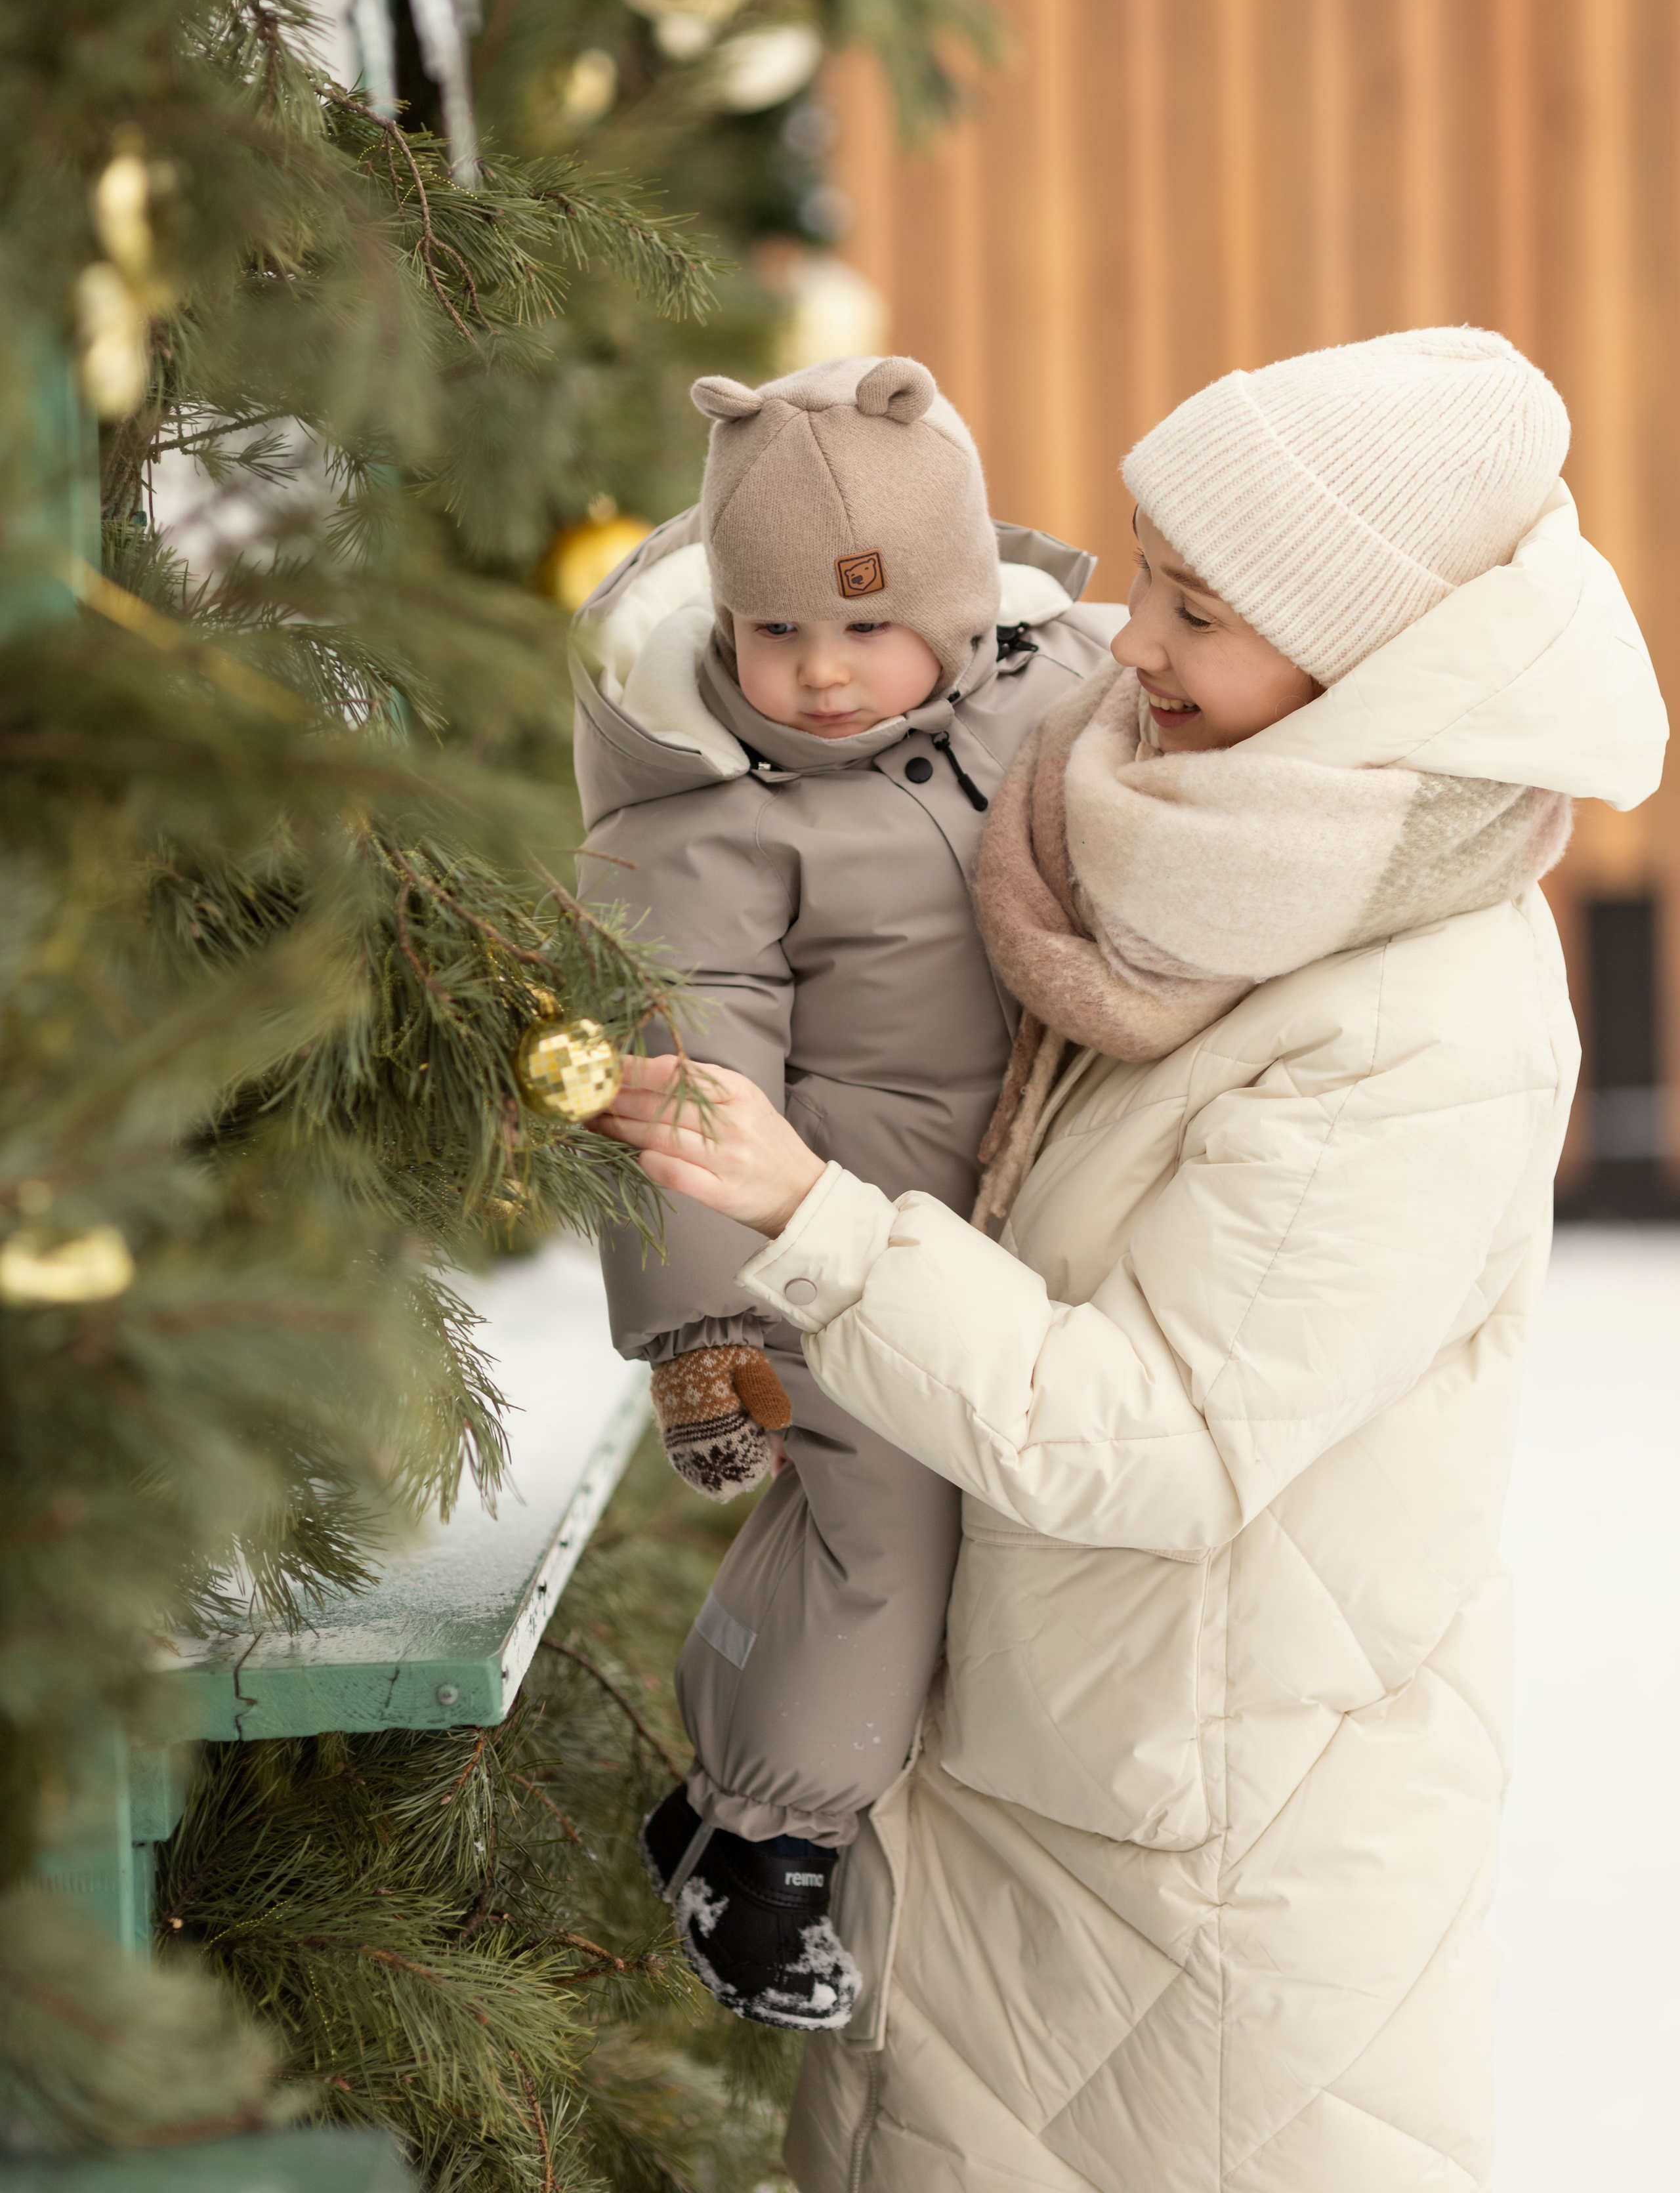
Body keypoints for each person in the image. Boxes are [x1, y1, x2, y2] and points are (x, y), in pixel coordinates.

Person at [595, 328, 1668, 2190]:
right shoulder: (1157, 842)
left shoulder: (1416, 1024)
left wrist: (814, 1219)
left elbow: (1156, 1440)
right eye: (1143, 583)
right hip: (1024, 1803)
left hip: (1202, 1894)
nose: (1130, 646)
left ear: (1364, 663)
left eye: (1195, 609)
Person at [570, 352, 1120, 2031]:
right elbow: (676, 1077)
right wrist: (703, 1328)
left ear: (961, 617)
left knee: (937, 1530)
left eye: (865, 627)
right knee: (889, 1530)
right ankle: (762, 1844)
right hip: (824, 1247)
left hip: (1009, 1225)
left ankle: (720, 1795)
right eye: (773, 633)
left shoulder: (1057, 691)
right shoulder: (708, 824)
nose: (815, 678)